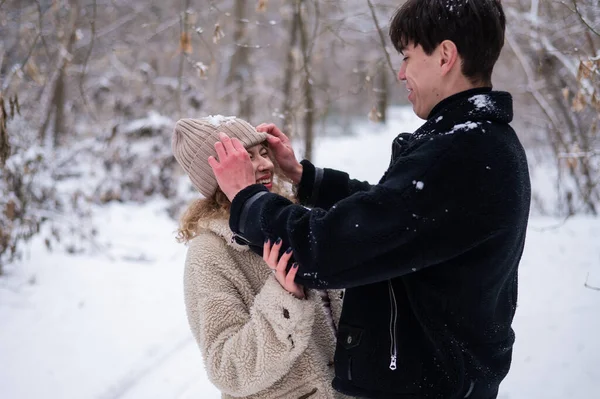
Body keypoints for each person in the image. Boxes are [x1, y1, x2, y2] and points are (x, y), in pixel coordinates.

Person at [206, 1, 531, 398]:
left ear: (445, 56)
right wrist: (306, 179)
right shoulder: (479, 142)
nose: (400, 72)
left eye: (408, 57)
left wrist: (247, 198)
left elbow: (328, 249)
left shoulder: (460, 155)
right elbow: (394, 215)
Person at [172, 116, 352, 399]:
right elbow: (228, 370)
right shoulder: (209, 253)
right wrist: (284, 299)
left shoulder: (291, 221)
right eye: (246, 158)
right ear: (218, 174)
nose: (266, 164)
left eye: (264, 153)